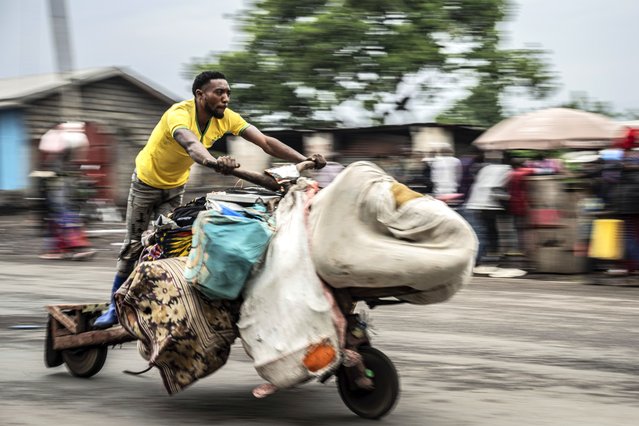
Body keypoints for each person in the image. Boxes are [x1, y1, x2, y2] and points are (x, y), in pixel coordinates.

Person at [93, 70, 326, 328]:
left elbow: (266, 142)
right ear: (200, 95)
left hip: (174, 187)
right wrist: (213, 161)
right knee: (133, 246)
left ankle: (161, 301)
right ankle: (114, 307)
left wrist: (304, 160)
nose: (225, 98)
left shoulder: (226, 118)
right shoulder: (178, 114)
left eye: (228, 93)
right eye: (219, 92)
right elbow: (191, 144)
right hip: (145, 184)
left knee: (172, 242)